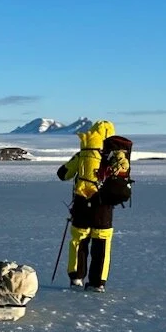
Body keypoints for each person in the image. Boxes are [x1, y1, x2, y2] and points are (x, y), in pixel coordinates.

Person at [56, 118, 117, 291]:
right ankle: (98, 283)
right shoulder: (117, 155)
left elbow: (63, 174)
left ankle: (76, 278)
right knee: (102, 242)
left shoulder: (84, 152)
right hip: (104, 206)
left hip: (82, 202)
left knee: (79, 239)